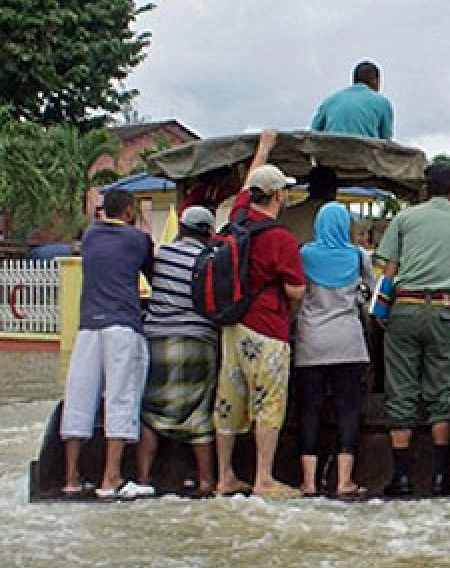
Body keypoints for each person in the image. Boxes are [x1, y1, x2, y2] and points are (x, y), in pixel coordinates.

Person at [375, 162, 450, 496]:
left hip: (405, 308)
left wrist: (380, 308)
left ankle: (402, 478)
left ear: (424, 188)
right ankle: (438, 477)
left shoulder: (404, 219)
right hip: (446, 311)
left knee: (400, 391)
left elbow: (389, 271)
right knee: (440, 395)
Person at [213, 164, 307, 498]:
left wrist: (263, 150)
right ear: (279, 195)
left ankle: (224, 476)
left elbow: (241, 194)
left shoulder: (234, 222)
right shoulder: (280, 238)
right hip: (267, 330)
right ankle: (263, 479)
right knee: (268, 403)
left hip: (232, 328)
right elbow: (296, 290)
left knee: (229, 401)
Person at [59, 190, 154, 499]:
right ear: (128, 212)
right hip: (123, 327)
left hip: (88, 327)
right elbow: (151, 273)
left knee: (79, 396)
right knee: (121, 398)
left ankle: (71, 478)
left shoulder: (90, 236)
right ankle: (110, 478)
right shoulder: (138, 240)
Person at [293, 201, 375, 499]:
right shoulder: (357, 256)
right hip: (348, 341)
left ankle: (308, 482)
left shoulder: (304, 254)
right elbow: (369, 292)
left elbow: (296, 291)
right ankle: (344, 482)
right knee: (347, 409)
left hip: (311, 341)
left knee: (309, 409)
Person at [135, 206, 219, 497]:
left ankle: (144, 479)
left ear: (181, 228)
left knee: (149, 412)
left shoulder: (163, 255)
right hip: (197, 342)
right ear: (208, 233)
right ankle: (207, 481)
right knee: (199, 411)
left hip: (156, 340)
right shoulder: (210, 259)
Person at [311, 60, 394, 139]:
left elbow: (313, 133)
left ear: (354, 80)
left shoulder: (329, 101)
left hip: (331, 152)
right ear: (375, 80)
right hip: (364, 152)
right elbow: (386, 140)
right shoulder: (383, 103)